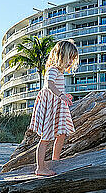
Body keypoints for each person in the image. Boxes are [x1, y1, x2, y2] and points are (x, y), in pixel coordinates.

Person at [29, 39, 79, 176]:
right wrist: (61, 95)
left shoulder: (60, 72)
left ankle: (55, 160)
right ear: (60, 56)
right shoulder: (52, 70)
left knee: (61, 133)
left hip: (57, 106)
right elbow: (49, 85)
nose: (70, 62)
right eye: (69, 58)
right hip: (50, 107)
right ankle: (40, 168)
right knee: (45, 138)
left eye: (72, 59)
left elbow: (56, 86)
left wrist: (63, 95)